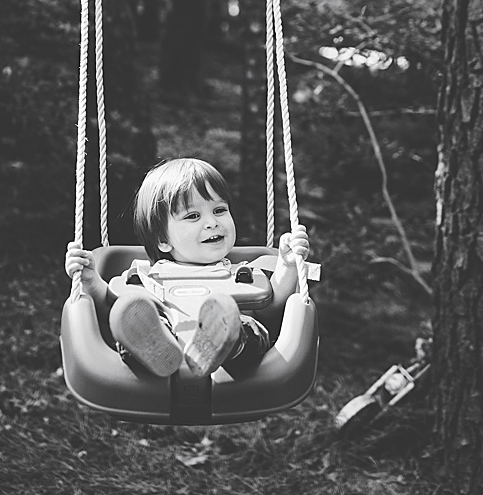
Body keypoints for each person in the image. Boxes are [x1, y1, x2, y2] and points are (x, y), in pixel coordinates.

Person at [64, 158, 310, 378]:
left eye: (219, 210)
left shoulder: (243, 274)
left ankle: (218, 344)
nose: (212, 223)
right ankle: (156, 349)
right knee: (138, 316)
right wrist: (90, 280)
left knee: (243, 325)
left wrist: (287, 265)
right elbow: (110, 305)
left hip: (230, 360)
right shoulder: (145, 277)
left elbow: (273, 306)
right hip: (164, 344)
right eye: (193, 216)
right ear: (162, 239)